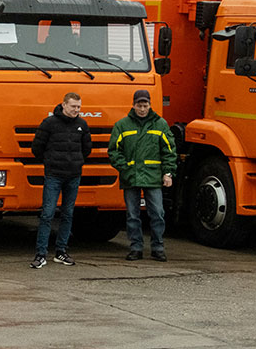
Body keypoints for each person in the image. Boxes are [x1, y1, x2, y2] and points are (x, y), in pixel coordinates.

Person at [108, 89, 177, 262]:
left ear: (149, 105)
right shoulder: (122, 125)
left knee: (158, 214)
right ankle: (136, 248)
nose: (142, 109)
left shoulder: (160, 124)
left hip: (153, 178)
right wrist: (125, 168)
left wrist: (168, 174)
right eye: (139, 105)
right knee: (132, 215)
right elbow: (114, 151)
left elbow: (169, 151)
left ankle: (158, 247)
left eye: (145, 105)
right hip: (131, 178)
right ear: (133, 105)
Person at [30, 92, 92, 269]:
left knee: (68, 214)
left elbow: (87, 148)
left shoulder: (82, 124)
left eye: (79, 107)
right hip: (54, 175)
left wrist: (77, 163)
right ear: (64, 105)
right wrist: (49, 162)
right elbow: (37, 147)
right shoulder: (49, 123)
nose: (76, 110)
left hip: (73, 176)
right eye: (73, 106)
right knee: (47, 214)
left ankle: (61, 252)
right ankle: (41, 254)